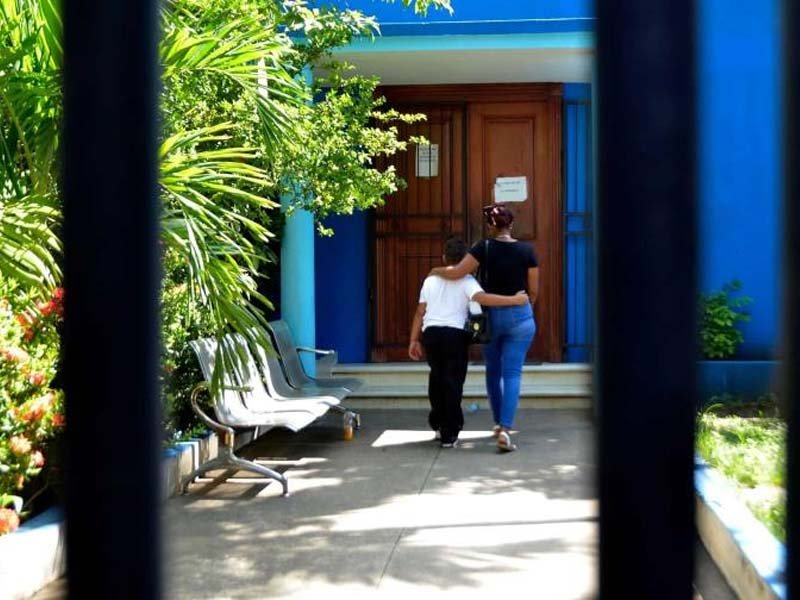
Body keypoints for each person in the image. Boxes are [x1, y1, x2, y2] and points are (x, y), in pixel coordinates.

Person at [429, 204, 538, 452]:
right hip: (520, 315)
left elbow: (457, 273)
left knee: (493, 371)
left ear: (490, 227)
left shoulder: (482, 247)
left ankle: (498, 423)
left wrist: (434, 271)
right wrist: (522, 307)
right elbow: (534, 291)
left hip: (491, 317)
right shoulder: (527, 251)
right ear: (511, 225)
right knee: (513, 374)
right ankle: (506, 429)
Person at [408, 236, 528, 449]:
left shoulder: (430, 280)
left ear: (444, 257)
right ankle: (449, 433)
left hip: (431, 335)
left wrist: (413, 340)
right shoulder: (467, 280)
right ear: (466, 259)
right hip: (454, 336)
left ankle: (437, 424)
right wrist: (515, 300)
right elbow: (484, 299)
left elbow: (419, 312)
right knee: (452, 383)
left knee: (437, 379)